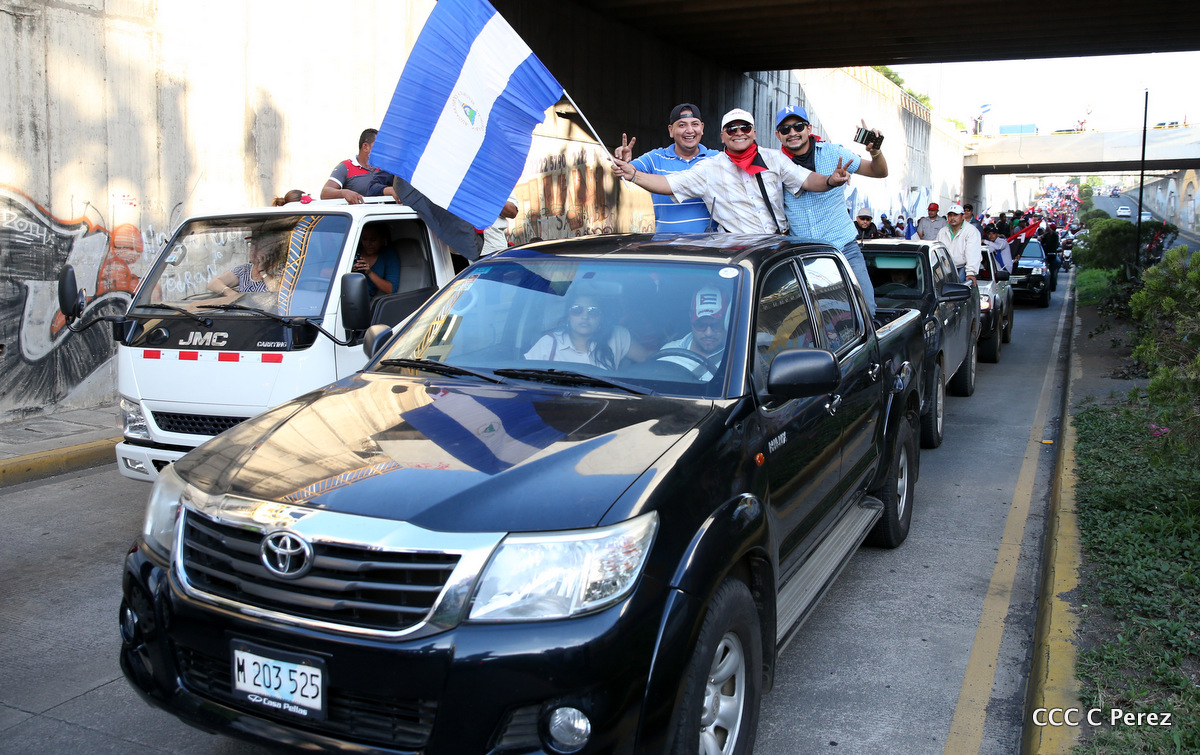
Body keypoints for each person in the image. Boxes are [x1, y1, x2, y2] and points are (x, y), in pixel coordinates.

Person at [610, 108, 852, 237]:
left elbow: (807, 179)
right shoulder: (709, 167)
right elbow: (669, 184)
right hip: (738, 250)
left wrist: (831, 180)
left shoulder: (774, 158)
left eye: (744, 127)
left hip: (776, 245)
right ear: (722, 136)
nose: (739, 133)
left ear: (754, 132)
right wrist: (633, 174)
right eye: (731, 129)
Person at [771, 105, 887, 315]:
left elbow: (878, 171)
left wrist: (875, 151)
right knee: (813, 319)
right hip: (805, 256)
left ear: (809, 128)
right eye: (785, 129)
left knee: (866, 310)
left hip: (844, 249)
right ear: (778, 135)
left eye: (798, 126)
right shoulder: (774, 165)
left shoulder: (833, 153)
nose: (792, 133)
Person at [613, 104, 718, 232]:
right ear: (671, 130)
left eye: (695, 124)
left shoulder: (716, 159)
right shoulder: (655, 158)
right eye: (682, 125)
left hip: (707, 243)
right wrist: (623, 162)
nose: (690, 130)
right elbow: (627, 171)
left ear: (702, 128)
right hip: (665, 243)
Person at [524, 290, 643, 369]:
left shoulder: (618, 335)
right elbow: (524, 376)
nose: (585, 316)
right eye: (577, 310)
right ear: (568, 316)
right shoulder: (548, 343)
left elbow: (647, 361)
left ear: (601, 318)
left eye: (593, 311)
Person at [659, 286, 729, 380]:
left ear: (727, 321)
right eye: (701, 325)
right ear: (690, 318)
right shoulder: (668, 354)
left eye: (716, 325)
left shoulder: (737, 359)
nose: (708, 333)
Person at [320, 128, 397, 204]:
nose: (383, 151)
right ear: (365, 147)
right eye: (379, 147)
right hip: (357, 212)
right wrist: (343, 193)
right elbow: (325, 193)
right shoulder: (346, 167)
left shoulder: (385, 169)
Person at [208, 236, 284, 296]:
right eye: (251, 245)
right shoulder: (245, 269)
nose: (253, 250)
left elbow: (276, 291)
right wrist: (229, 292)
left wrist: (262, 271)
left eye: (258, 247)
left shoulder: (280, 269)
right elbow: (213, 283)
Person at [935, 203, 982, 284]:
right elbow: (937, 251)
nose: (952, 218)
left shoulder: (971, 231)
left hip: (962, 267)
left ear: (963, 216)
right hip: (945, 268)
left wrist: (970, 272)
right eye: (950, 215)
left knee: (958, 288)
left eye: (956, 215)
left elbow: (972, 253)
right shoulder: (942, 231)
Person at [353, 225, 401, 297]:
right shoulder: (354, 250)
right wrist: (350, 270)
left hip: (362, 299)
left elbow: (391, 289)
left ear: (383, 239)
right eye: (364, 239)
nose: (368, 244)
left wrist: (369, 272)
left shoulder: (388, 254)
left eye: (373, 240)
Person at [1041, 222, 1062, 290]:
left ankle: (1052, 285)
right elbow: (1041, 238)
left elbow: (1051, 232)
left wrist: (1046, 223)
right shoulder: (1046, 234)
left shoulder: (1055, 235)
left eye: (1049, 227)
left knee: (1052, 271)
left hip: (1052, 256)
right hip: (1044, 256)